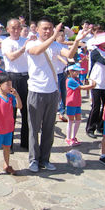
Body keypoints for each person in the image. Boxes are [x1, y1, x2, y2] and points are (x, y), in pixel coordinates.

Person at [25, 18, 89, 173]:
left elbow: (70, 54)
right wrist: (53, 37)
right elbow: (37, 51)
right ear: (38, 30)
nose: (48, 31)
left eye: (51, 28)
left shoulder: (55, 45)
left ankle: (45, 159)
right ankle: (33, 160)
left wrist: (76, 41)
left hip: (52, 92)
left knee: (49, 128)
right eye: (45, 28)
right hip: (35, 91)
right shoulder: (31, 43)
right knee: (34, 129)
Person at [2, 19, 34, 150]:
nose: (16, 31)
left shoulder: (25, 41)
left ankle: (26, 142)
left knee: (27, 111)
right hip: (12, 78)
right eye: (13, 28)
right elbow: (11, 57)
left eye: (18, 28)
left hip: (26, 77)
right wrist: (24, 48)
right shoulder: (6, 42)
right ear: (8, 29)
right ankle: (8, 143)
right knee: (11, 111)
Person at [65, 64, 96, 146]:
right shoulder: (70, 80)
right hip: (71, 102)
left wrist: (89, 83)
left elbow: (82, 86)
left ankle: (73, 137)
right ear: (70, 71)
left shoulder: (76, 79)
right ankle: (68, 138)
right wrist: (91, 85)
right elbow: (81, 87)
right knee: (71, 120)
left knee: (78, 119)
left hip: (77, 102)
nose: (78, 72)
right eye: (76, 71)